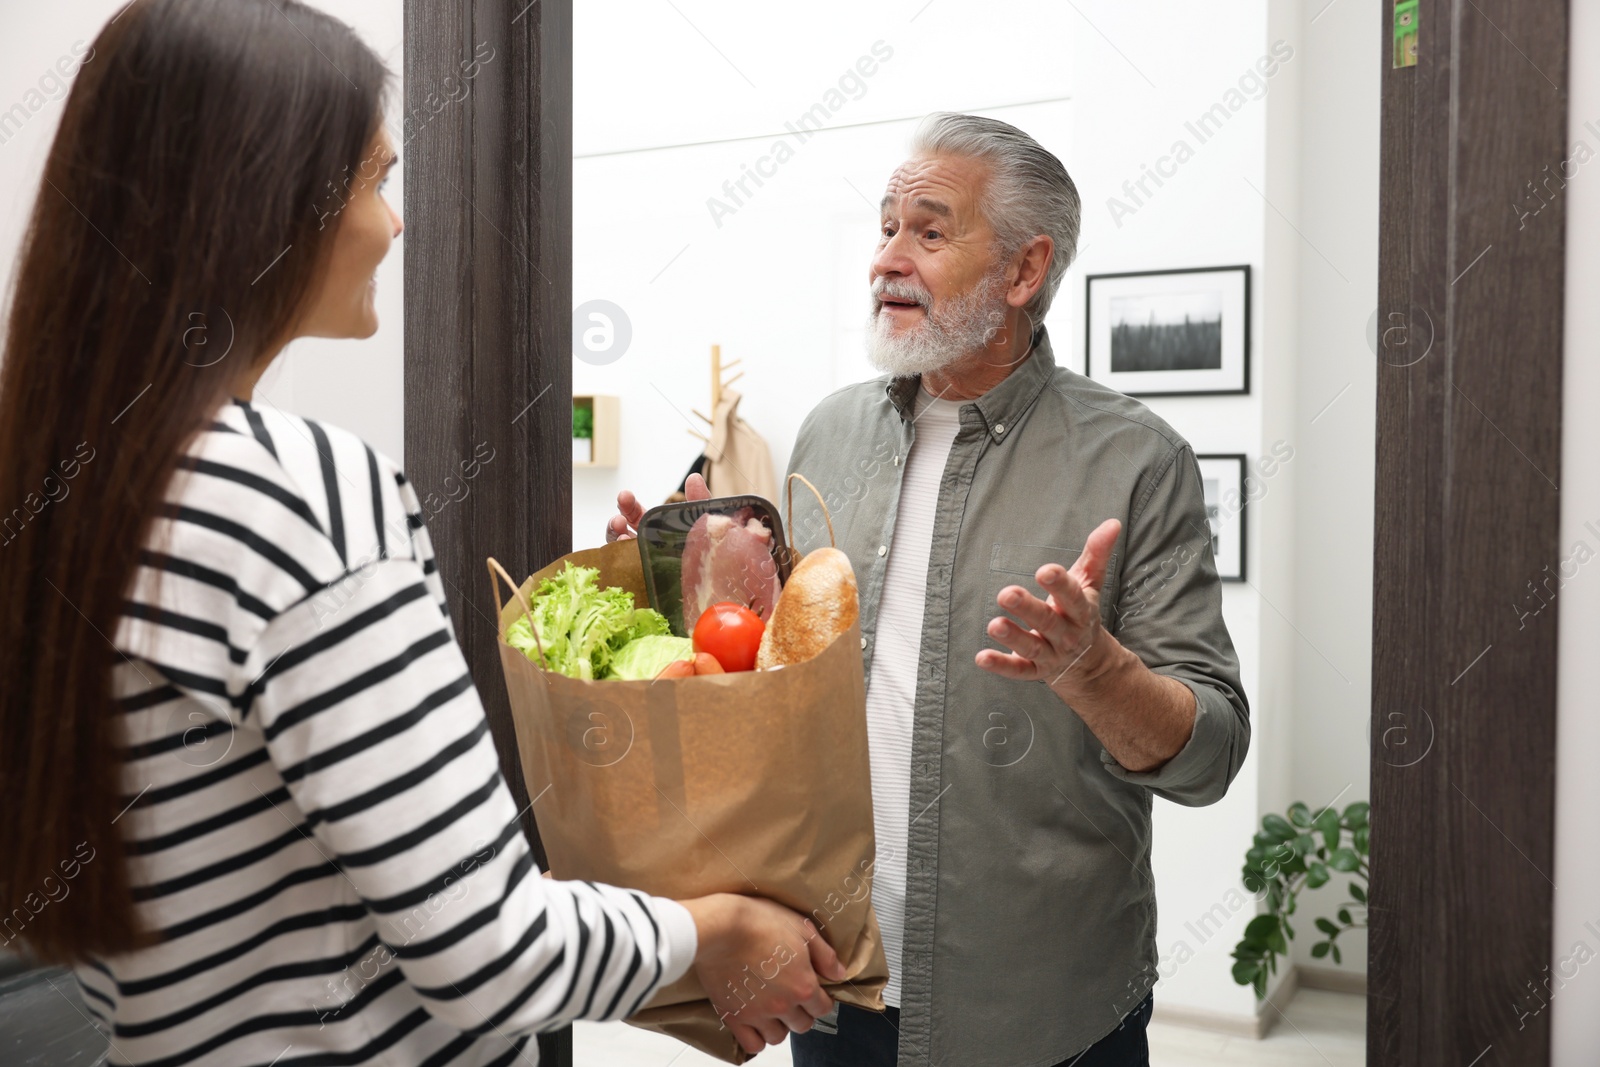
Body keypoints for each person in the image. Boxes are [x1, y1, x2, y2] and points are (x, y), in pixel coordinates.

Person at [0, 2, 841, 1064]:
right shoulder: (295, 492)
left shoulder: (68, 494)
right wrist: (710, 931)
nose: (395, 225)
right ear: (265, 201)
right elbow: (485, 950)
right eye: (374, 180)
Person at [610, 113, 1251, 1067]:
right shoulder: (830, 433)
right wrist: (687, 584)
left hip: (1044, 1005)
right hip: (834, 988)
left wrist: (1091, 667)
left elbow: (1210, 754)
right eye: (883, 228)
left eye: (929, 230)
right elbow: (775, 685)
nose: (886, 260)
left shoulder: (1138, 461)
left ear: (1024, 272)